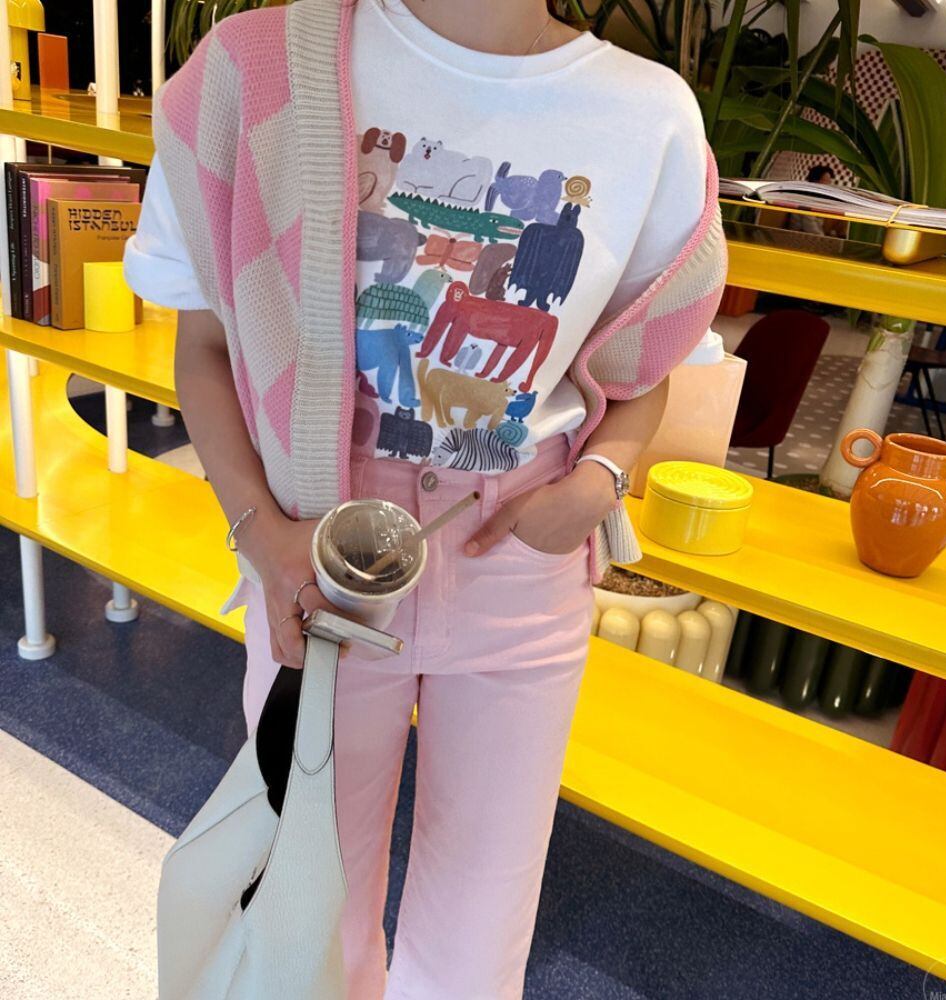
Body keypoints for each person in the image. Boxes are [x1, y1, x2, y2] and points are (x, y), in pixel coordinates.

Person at [124, 0, 725, 996]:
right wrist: (262, 534)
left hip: (521, 549)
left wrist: (598, 481)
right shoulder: (256, 71)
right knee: (307, 899)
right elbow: (206, 344)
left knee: (485, 912)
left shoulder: (647, 113)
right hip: (318, 551)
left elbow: (644, 364)